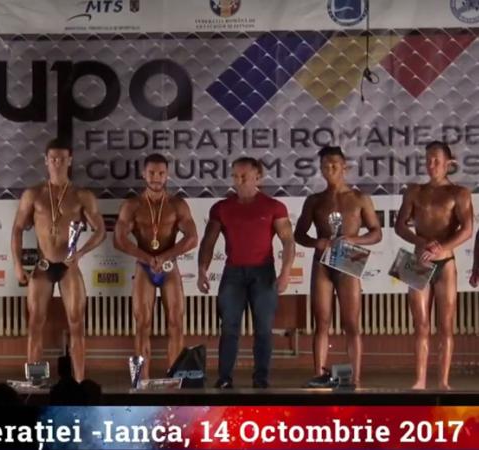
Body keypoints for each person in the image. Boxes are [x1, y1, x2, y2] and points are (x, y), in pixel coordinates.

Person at [11, 138, 105, 382]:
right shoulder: (33, 194)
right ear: (46, 161)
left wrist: (81, 253)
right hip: (43, 265)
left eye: (62, 159)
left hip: (68, 266)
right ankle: (34, 381)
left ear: (70, 161)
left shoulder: (82, 195)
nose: (57, 163)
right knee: (35, 323)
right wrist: (17, 264)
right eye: (53, 158)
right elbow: (17, 229)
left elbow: (101, 230)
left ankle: (80, 382)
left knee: (76, 323)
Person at [197, 157, 295, 388]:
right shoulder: (221, 208)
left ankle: (261, 379)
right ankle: (224, 378)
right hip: (233, 273)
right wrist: (202, 270)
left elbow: (288, 241)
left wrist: (286, 272)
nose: (238, 181)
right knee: (229, 327)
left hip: (263, 273)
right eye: (235, 176)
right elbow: (208, 241)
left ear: (257, 177)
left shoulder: (274, 206)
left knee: (263, 329)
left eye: (244, 176)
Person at [294, 146, 382, 388]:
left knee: (351, 323)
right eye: (325, 166)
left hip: (348, 258)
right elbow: (299, 234)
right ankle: (319, 375)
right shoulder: (314, 200)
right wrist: (317, 242)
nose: (329, 169)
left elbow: (376, 233)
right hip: (322, 261)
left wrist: (354, 239)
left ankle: (355, 378)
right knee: (321, 321)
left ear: (345, 167)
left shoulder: (359, 198)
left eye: (334, 165)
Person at [394, 141, 473, 390]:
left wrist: (441, 247)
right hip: (417, 261)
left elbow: (467, 229)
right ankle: (419, 380)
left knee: (446, 326)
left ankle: (443, 381)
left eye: (437, 160)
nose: (431, 164)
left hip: (445, 263)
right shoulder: (414, 191)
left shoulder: (459, 193)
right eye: (428, 159)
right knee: (420, 325)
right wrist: (422, 242)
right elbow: (399, 226)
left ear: (449, 163)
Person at [113, 153, 198, 378]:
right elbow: (119, 240)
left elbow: (192, 238)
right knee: (142, 324)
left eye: (161, 173)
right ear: (143, 174)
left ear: (167, 175)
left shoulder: (177, 204)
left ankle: (176, 379)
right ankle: (141, 381)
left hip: (169, 267)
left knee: (176, 322)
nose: (156, 177)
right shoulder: (132, 205)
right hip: (144, 267)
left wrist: (165, 257)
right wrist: (147, 258)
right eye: (151, 173)